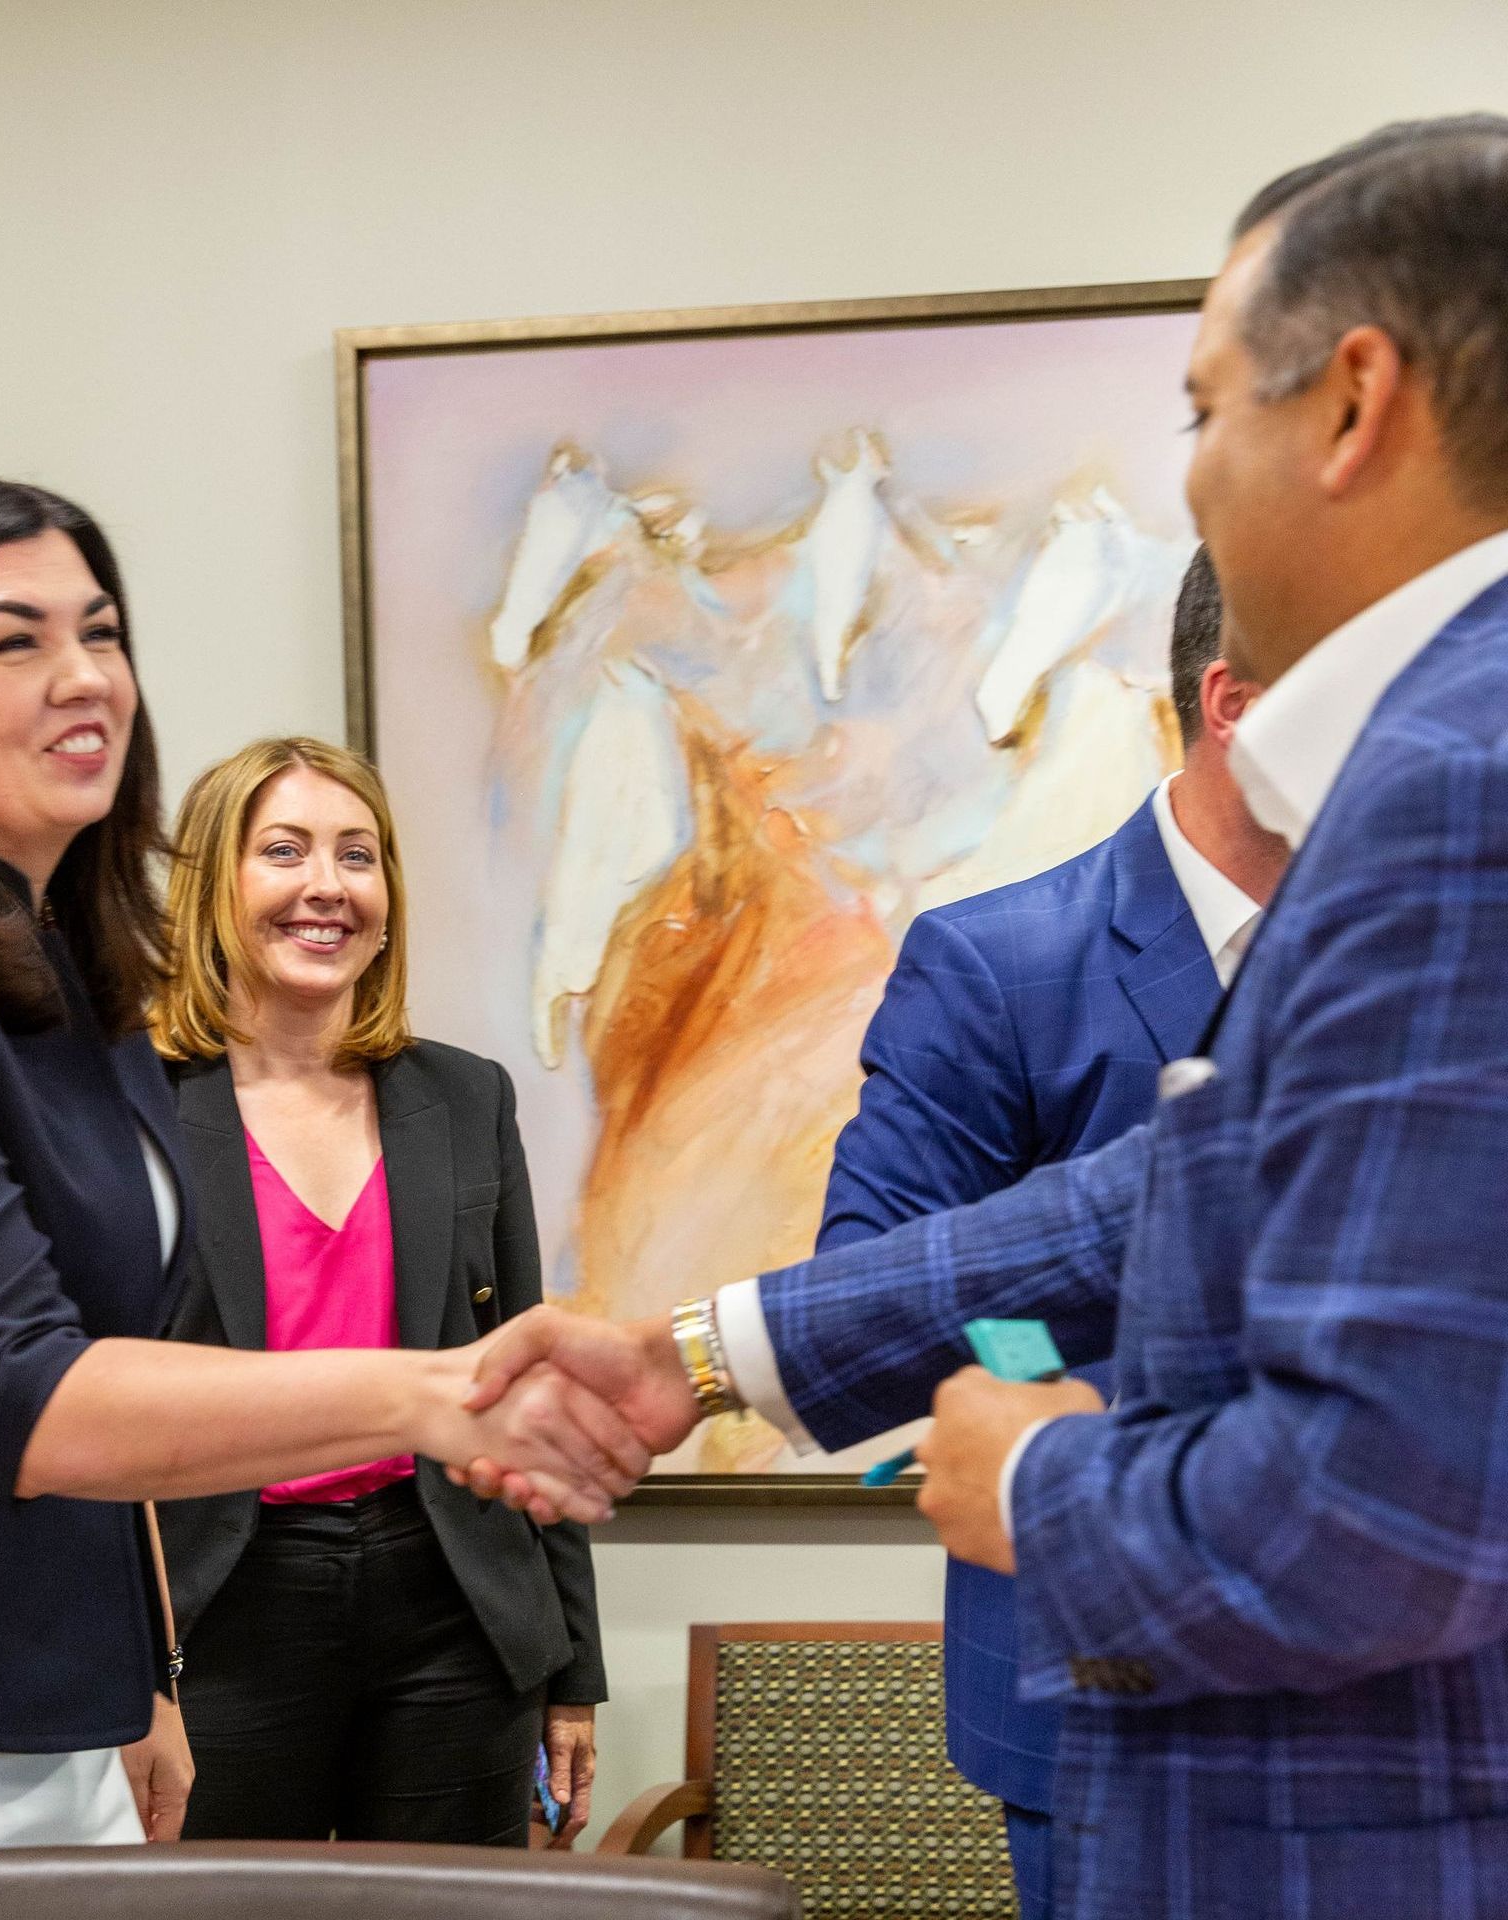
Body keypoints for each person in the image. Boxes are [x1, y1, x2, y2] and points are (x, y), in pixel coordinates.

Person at [464, 115, 1508, 1918]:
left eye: (1201, 410)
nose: (1189, 479)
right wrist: (707, 1355)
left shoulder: (1450, 794)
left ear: (1353, 402)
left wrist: (1041, 1477)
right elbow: (1154, 1203)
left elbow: (1379, 1522)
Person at [0, 476, 643, 1920]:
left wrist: (134, 1679)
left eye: (101, 631)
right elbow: (20, 1392)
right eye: (13, 640)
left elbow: (113, 1345)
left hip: (46, 1704)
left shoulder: (60, 971)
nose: (85, 675)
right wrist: (435, 1395)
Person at [818, 547, 1286, 1919]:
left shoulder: (1431, 956)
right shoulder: (998, 965)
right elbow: (869, 1287)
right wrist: (1068, 1403)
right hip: (1097, 1684)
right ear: (1237, 706)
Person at [147, 737, 605, 1848]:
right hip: (224, 1605)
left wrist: (572, 1671)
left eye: (358, 855)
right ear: (216, 884)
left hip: (451, 1599)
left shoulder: (464, 1097)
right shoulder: (136, 1103)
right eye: (285, 851)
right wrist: (125, 1677)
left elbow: (522, 1384)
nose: (327, 886)